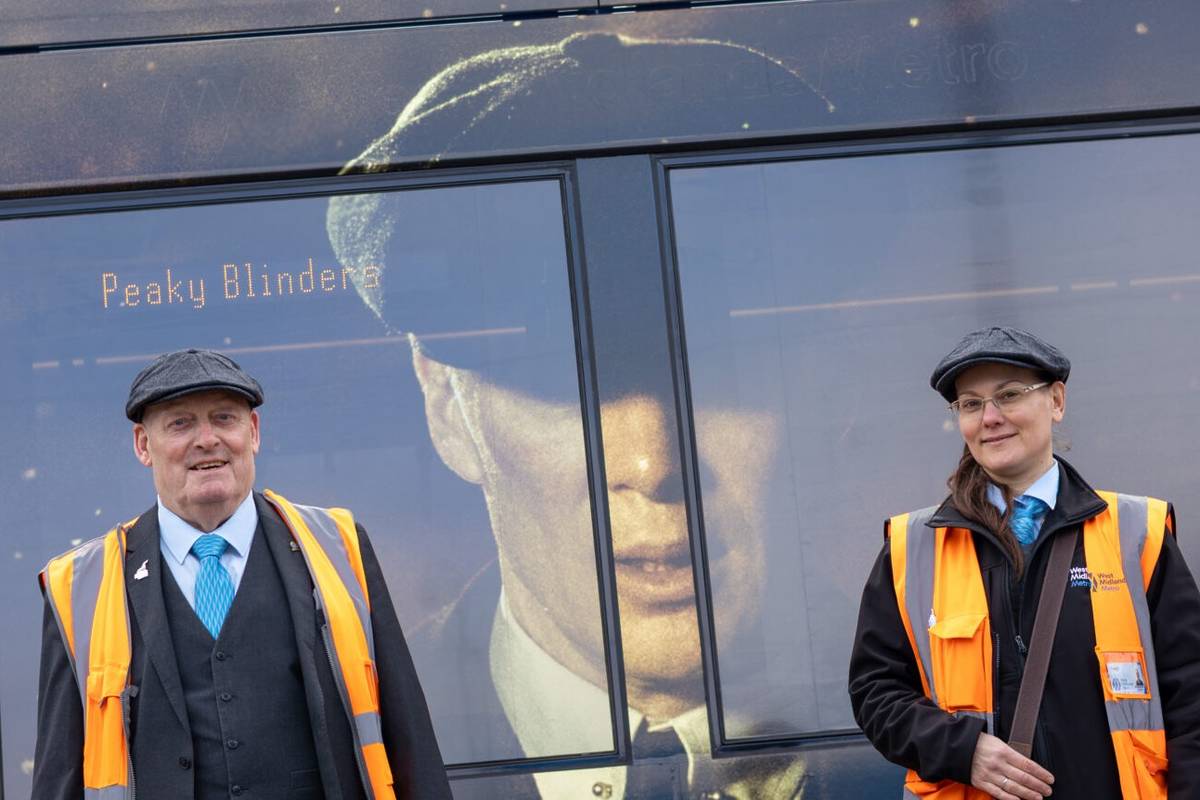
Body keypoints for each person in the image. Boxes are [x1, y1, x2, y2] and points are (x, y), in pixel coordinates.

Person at [326, 30, 829, 799]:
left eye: (711, 377)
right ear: (447, 409)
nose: (651, 464)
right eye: (562, 387)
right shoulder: (339, 748)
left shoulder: (948, 703)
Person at [33, 348, 452, 800]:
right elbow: (60, 776)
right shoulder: (81, 585)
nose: (207, 439)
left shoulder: (339, 547)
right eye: (180, 423)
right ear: (142, 445)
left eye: (224, 418)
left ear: (252, 432)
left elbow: (409, 735)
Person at [848, 326, 1200, 799]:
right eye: (970, 404)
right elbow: (875, 692)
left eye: (1009, 395)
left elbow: (1192, 698)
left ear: (1056, 401)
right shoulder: (911, 547)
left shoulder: (1139, 531)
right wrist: (962, 749)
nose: (989, 417)